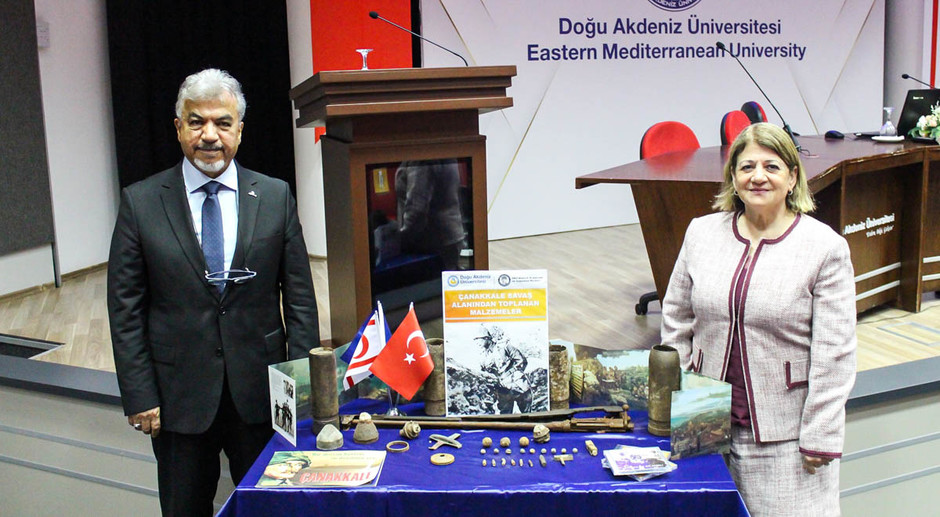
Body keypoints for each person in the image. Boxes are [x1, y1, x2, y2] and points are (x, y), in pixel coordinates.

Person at [107, 68, 320, 516]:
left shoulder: (276, 196)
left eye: (222, 123)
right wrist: (141, 394)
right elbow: (125, 308)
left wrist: (301, 387)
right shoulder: (140, 203)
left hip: (262, 394)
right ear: (178, 127)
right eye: (196, 122)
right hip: (177, 399)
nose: (209, 135)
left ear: (239, 130)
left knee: (270, 509)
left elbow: (300, 300)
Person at [660, 123, 856, 516]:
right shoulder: (701, 233)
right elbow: (676, 319)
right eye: (747, 167)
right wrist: (677, 401)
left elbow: (834, 354)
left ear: (792, 177)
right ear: (733, 177)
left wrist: (820, 433)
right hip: (703, 425)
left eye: (771, 166)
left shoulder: (824, 248)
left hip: (785, 437)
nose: (758, 176)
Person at [395, 159, 466, 271]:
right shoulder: (444, 151)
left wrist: (400, 241)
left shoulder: (420, 159)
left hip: (431, 242)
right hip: (450, 235)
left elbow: (417, 209)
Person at [477, 326, 533, 414]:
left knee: (527, 414)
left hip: (519, 385)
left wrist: (512, 373)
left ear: (487, 338)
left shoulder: (504, 347)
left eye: (478, 339)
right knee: (505, 416)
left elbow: (522, 361)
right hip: (503, 391)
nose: (477, 343)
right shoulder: (484, 357)